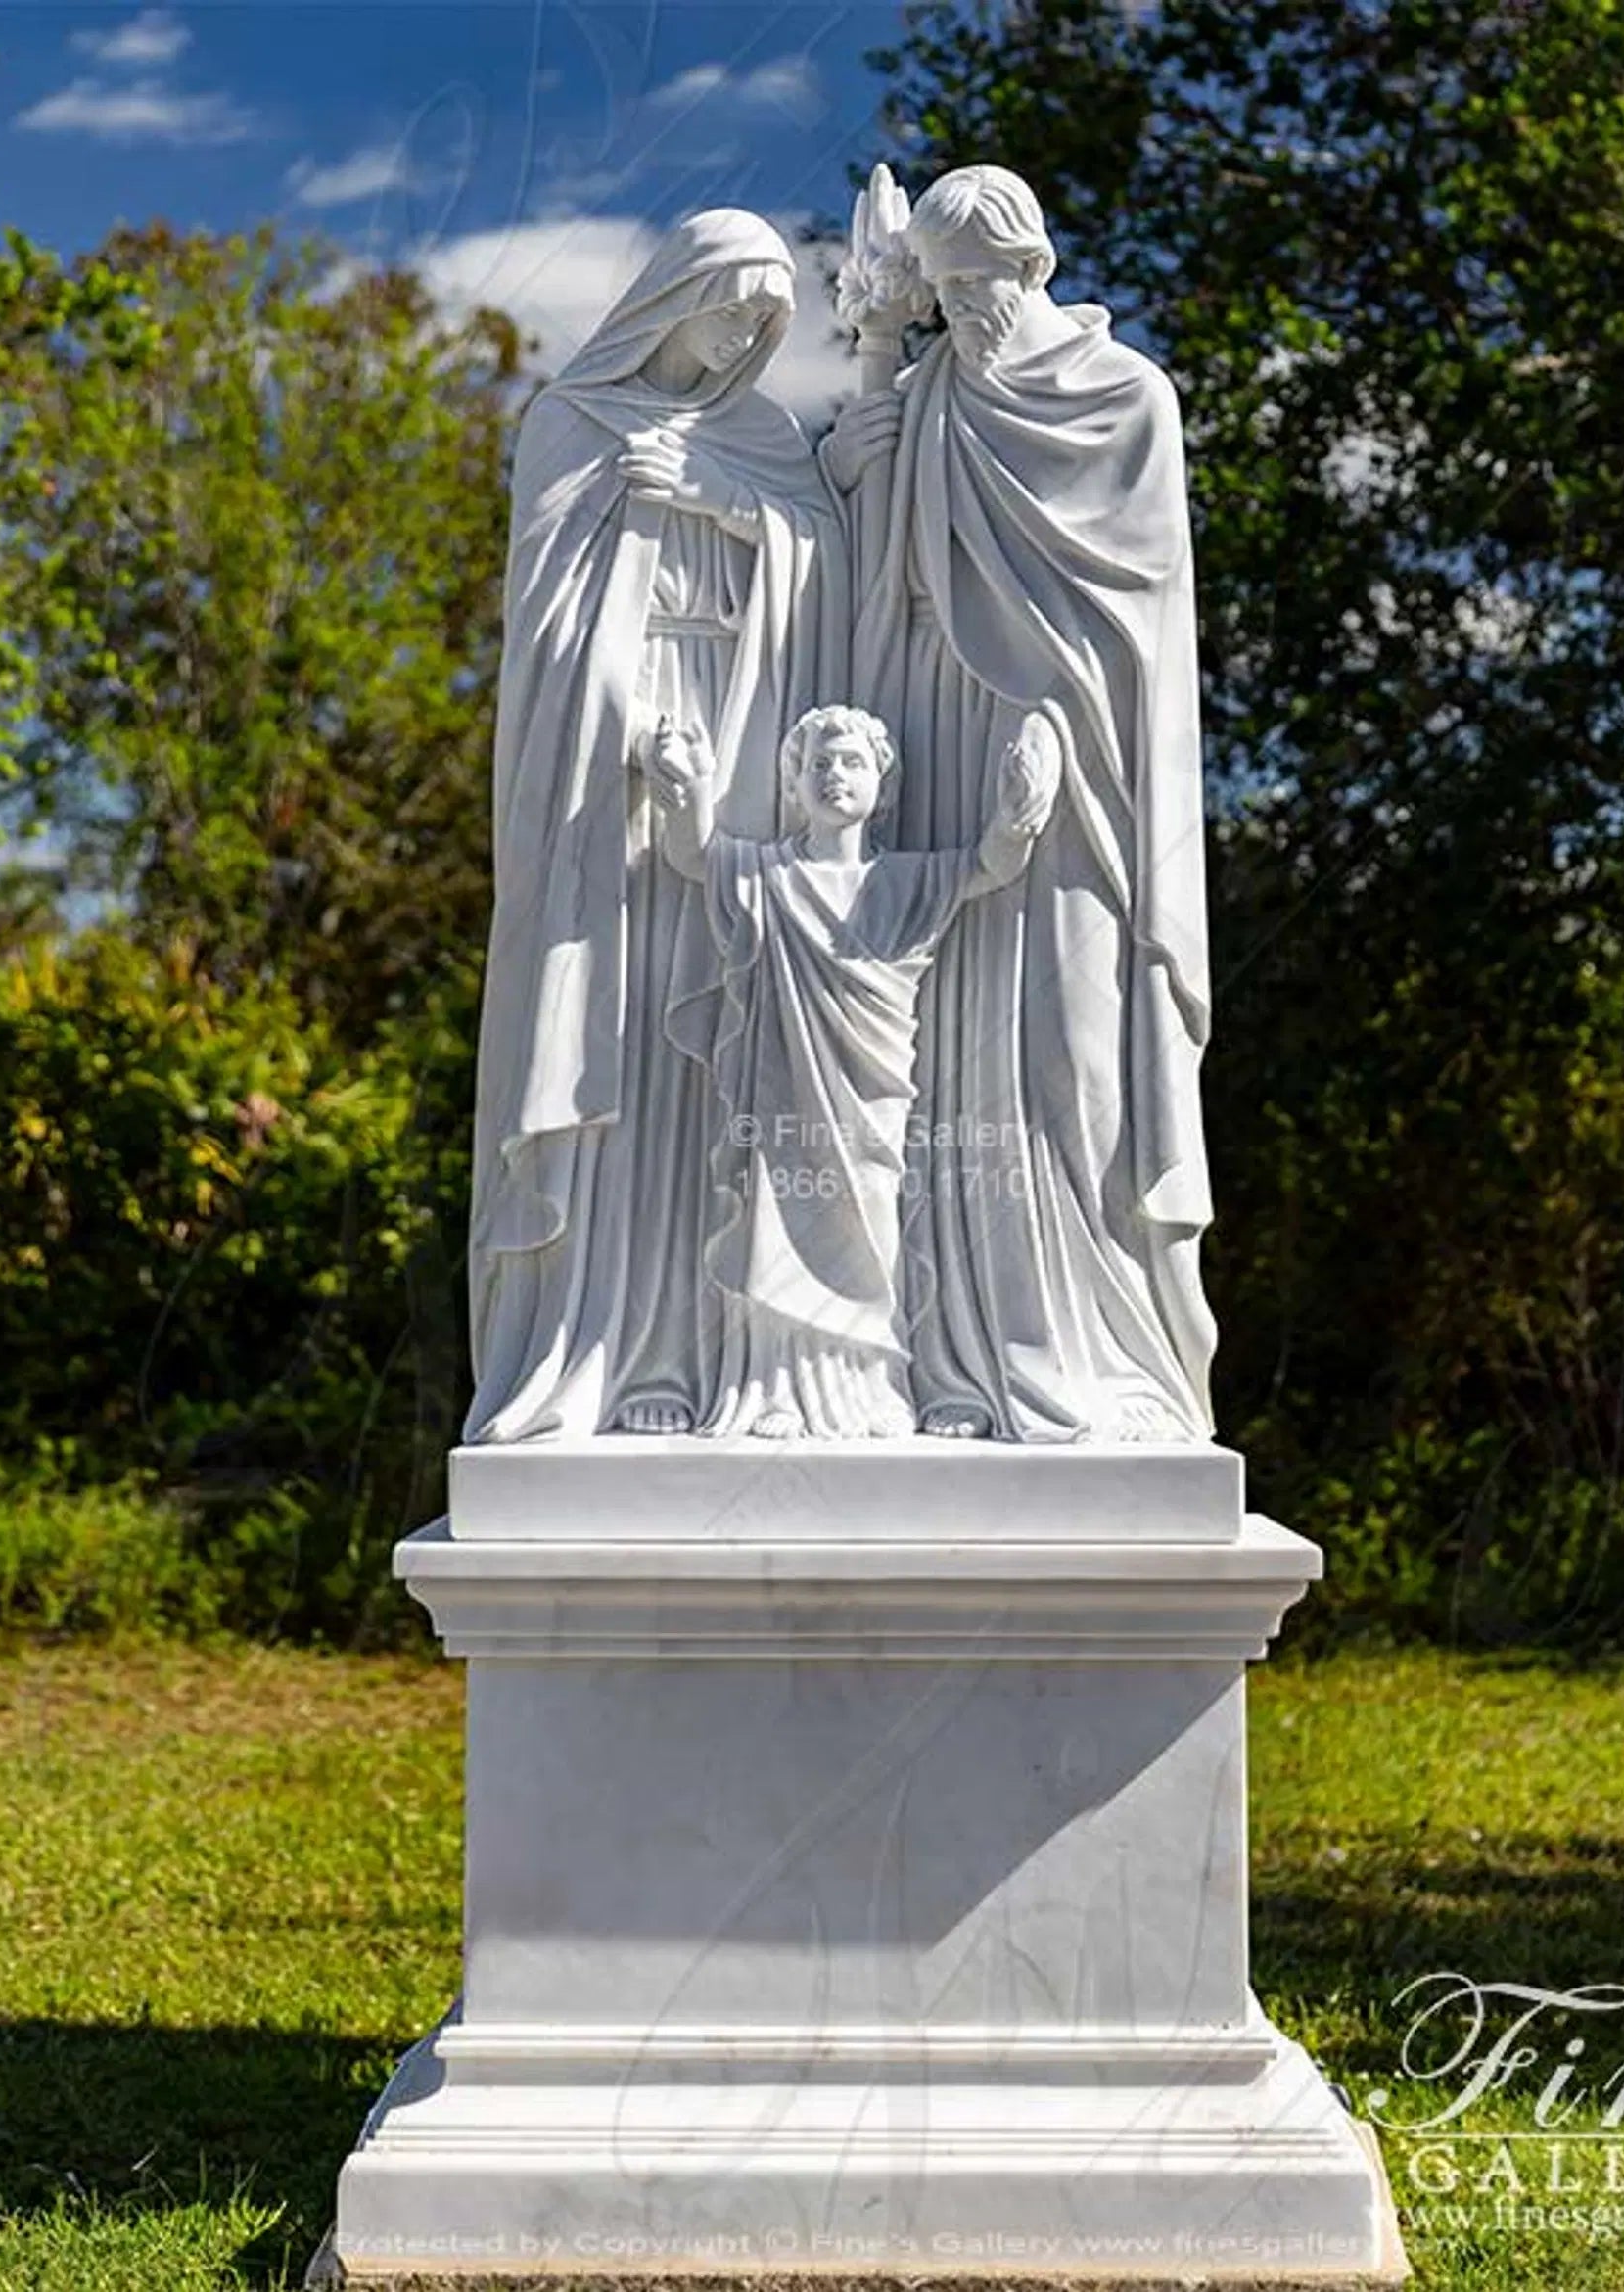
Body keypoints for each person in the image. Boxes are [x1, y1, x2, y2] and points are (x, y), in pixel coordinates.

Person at [824, 165, 1217, 1443]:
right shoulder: (928, 393)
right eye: (943, 294)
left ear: (1034, 267)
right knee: (941, 1067)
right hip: (939, 754)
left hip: (1079, 777)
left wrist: (1052, 717)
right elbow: (877, 591)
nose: (962, 313)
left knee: (1071, 1053)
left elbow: (1139, 609)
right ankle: (956, 1367)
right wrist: (854, 448)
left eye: (977, 286)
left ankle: (1098, 1356)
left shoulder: (1127, 399)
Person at [467, 210, 847, 1441]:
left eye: (767, 316)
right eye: (731, 301)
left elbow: (825, 575)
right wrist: (625, 720)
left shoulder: (767, 438)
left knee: (716, 1054)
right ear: (671, 291)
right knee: (613, 1039)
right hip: (611, 773)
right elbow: (547, 629)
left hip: (739, 761)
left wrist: (728, 503)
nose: (745, 331)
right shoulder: (570, 426)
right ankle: (599, 1349)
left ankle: (700, 1349)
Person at [647, 703, 1059, 1438]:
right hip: (778, 1094)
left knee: (871, 1227)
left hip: (871, 1099)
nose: (835, 775)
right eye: (820, 764)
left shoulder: (907, 880)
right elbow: (695, 855)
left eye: (853, 762)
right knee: (772, 1222)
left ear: (883, 784)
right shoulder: (763, 871)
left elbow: (991, 866)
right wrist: (687, 787)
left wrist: (1020, 808)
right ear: (794, 783)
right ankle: (770, 1390)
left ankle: (870, 1393)